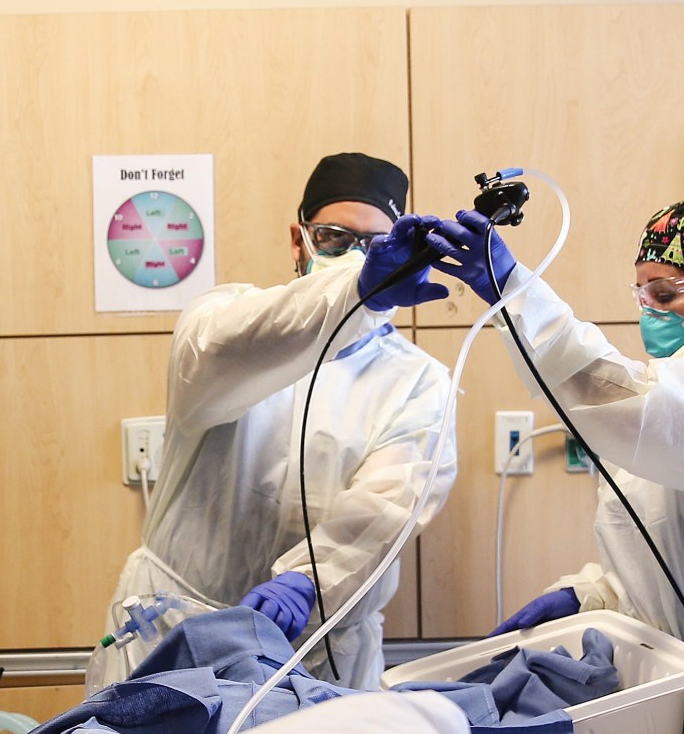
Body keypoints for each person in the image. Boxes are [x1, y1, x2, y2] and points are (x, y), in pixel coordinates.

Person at [433, 196, 684, 716]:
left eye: (666, 295)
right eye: (643, 296)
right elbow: (675, 545)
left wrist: (517, 290)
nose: (650, 313)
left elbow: (614, 397)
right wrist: (592, 593)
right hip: (677, 678)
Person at [100, 152, 458, 690]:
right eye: (335, 237)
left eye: (376, 247)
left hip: (317, 655)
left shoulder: (418, 381)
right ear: (300, 240)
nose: (357, 258)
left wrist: (309, 581)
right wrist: (354, 294)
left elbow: (389, 503)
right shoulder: (225, 322)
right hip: (175, 636)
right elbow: (228, 346)